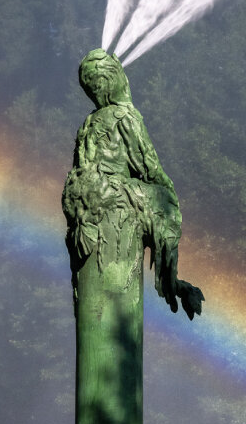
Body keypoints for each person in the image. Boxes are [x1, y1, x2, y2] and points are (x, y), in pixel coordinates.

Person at [62, 48, 203, 318]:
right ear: (115, 79)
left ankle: (174, 285)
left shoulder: (88, 123)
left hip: (85, 208)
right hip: (115, 209)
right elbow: (150, 168)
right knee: (165, 204)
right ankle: (173, 284)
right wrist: (169, 195)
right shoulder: (124, 116)